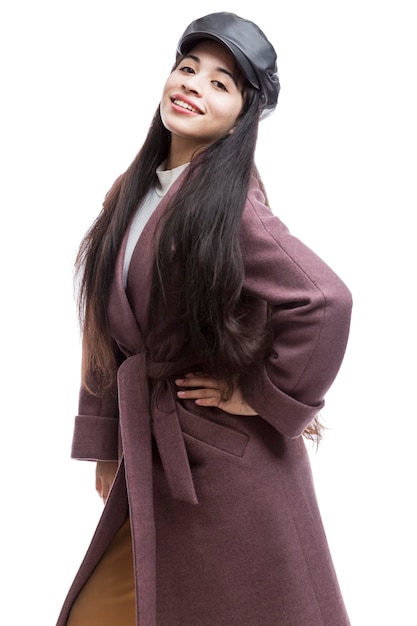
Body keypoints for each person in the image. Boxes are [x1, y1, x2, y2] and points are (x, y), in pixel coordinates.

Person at [57, 11, 352, 626]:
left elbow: (324, 300)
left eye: (221, 83)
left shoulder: (233, 206)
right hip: (154, 451)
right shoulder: (130, 191)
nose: (193, 85)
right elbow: (103, 326)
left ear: (242, 116)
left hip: (224, 465)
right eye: (187, 69)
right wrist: (106, 438)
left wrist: (263, 395)